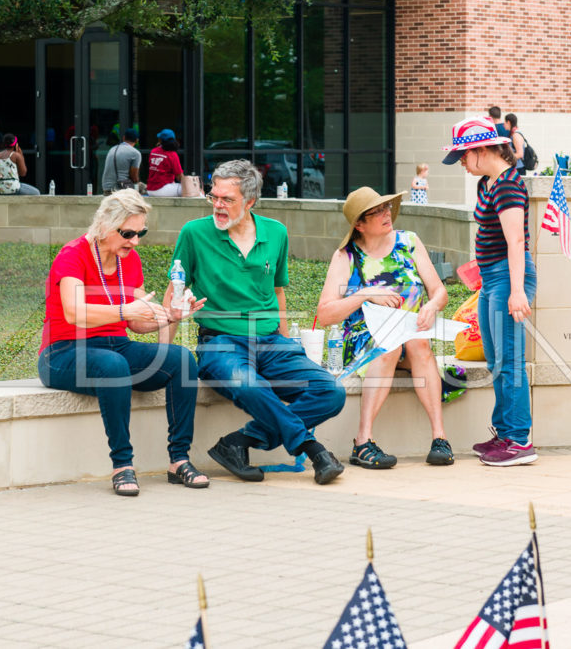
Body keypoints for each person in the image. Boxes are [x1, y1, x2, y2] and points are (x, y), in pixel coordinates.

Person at [165, 159, 347, 485]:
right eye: (214, 197)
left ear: (249, 202)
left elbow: (277, 292)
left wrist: (287, 340)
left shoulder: (276, 233)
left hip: (271, 342)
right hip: (220, 342)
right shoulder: (194, 234)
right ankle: (312, 447)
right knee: (251, 384)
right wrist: (164, 353)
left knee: (330, 391)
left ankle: (238, 442)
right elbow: (173, 294)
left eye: (227, 200)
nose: (217, 206)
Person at [37, 190, 207, 496]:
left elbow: (138, 322)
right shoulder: (72, 255)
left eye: (140, 233)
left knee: (181, 360)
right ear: (104, 225)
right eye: (127, 233)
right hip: (63, 351)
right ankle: (122, 465)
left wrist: (170, 315)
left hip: (115, 345)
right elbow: (74, 311)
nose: (135, 241)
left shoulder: (130, 260)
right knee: (113, 366)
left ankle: (179, 459)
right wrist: (122, 309)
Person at [315, 187, 452, 469]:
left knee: (416, 342)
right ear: (360, 225)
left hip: (412, 335)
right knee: (392, 346)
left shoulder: (409, 242)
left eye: (386, 207)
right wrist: (364, 294)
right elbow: (325, 314)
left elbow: (439, 291)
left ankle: (440, 438)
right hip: (367, 341)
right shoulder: (346, 256)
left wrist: (431, 306)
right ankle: (362, 441)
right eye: (376, 211)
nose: (386, 213)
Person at [442, 116, 538, 466]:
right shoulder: (489, 183)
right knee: (496, 360)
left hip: (508, 279)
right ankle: (504, 433)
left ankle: (519, 440)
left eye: (464, 157)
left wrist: (516, 292)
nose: (462, 164)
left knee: (510, 361)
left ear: (482, 150)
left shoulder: (509, 185)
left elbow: (515, 241)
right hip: (493, 278)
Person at [146, 129, 184, 197]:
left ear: (160, 140)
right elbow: (179, 176)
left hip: (150, 190)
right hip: (162, 189)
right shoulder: (172, 154)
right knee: (189, 189)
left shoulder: (153, 151)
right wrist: (188, 186)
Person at [103, 128, 141, 194]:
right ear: (137, 140)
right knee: (145, 189)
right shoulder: (135, 153)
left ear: (124, 138)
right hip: (121, 190)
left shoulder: (112, 149)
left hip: (106, 188)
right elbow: (134, 178)